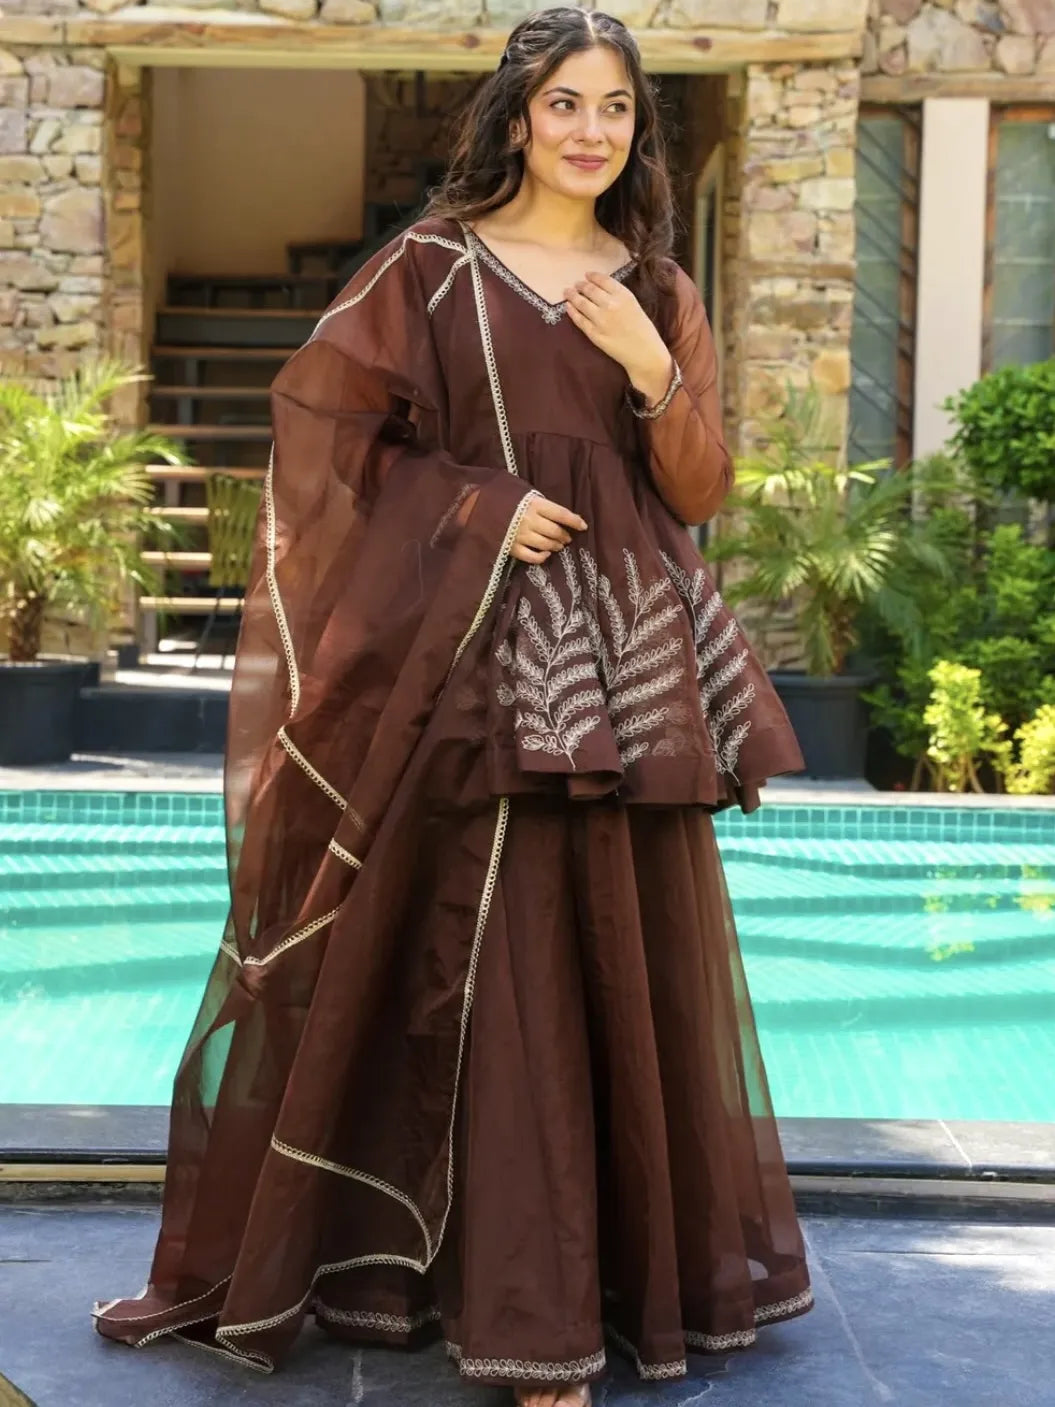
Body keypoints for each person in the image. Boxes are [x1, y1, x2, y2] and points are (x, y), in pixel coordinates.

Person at [93, 9, 813, 1405]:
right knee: (504, 966)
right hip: (475, 669)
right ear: (517, 117)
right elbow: (328, 434)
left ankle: (604, 1286)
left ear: (636, 129)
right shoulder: (432, 272)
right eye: (564, 105)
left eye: (615, 108)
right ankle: (513, 1310)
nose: (591, 132)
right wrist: (478, 505)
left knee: (623, 957)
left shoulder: (657, 288)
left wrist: (659, 378)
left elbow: (701, 489)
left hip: (627, 676)